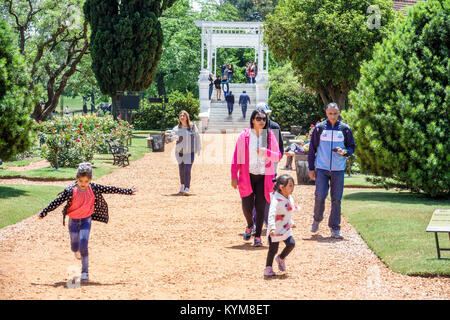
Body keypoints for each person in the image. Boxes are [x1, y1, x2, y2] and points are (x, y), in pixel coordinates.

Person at [37, 162, 137, 282]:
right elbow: (57, 201)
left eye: (86, 181)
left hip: (86, 220)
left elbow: (111, 189)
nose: (83, 184)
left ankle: (85, 272)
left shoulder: (93, 187)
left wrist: (128, 191)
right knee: (74, 246)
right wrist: (44, 212)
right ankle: (76, 250)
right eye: (81, 181)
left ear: (90, 180)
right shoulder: (70, 190)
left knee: (84, 244)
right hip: (73, 221)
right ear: (77, 179)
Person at [231, 109, 281, 247]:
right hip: (248, 176)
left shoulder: (268, 135)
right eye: (258, 118)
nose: (261, 121)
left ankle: (258, 235)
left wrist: (267, 152)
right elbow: (237, 157)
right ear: (253, 120)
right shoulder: (245, 136)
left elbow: (277, 155)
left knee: (260, 207)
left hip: (264, 176)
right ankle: (249, 225)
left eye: (264, 119)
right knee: (247, 205)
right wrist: (234, 176)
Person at [308, 102, 355, 239]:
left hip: (338, 169)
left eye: (335, 113)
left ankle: (335, 228)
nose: (333, 116)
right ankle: (317, 219)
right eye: (330, 113)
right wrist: (311, 168)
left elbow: (352, 147)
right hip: (322, 168)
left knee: (336, 199)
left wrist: (344, 152)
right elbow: (312, 149)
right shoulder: (319, 128)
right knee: (320, 195)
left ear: (339, 112)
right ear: (326, 113)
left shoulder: (345, 129)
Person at [264, 174, 298, 276]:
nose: (292, 188)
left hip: (285, 228)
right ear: (281, 187)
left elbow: (288, 211)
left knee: (291, 244)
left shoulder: (290, 198)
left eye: (293, 185)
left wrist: (291, 222)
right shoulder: (276, 200)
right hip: (275, 229)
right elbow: (271, 214)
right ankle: (268, 268)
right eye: (290, 185)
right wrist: (272, 228)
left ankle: (281, 258)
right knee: (273, 249)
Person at [168, 110, 202, 196]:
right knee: (182, 169)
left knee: (187, 169)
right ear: (179, 118)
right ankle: (182, 185)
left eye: (184, 116)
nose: (182, 117)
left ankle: (187, 188)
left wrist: (199, 148)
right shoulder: (176, 128)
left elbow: (197, 137)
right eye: (180, 116)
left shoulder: (192, 127)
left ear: (187, 117)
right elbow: (169, 138)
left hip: (190, 152)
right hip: (179, 152)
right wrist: (172, 138)